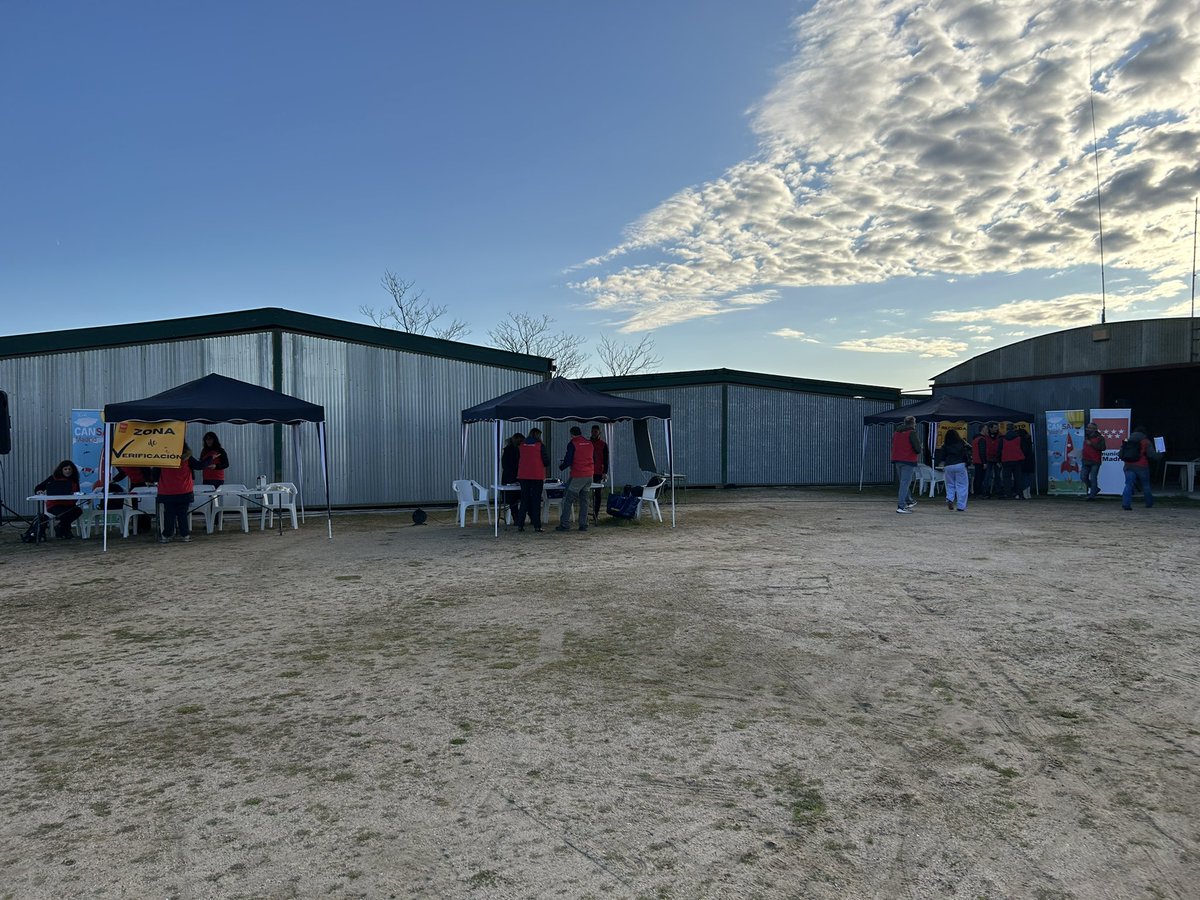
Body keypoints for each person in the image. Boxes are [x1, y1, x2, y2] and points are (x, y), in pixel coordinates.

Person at [156, 443, 210, 543]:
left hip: (167, 491)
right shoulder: (187, 457)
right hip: (184, 490)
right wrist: (210, 458)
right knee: (182, 514)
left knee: (169, 514)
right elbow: (200, 466)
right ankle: (185, 535)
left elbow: (155, 475)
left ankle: (166, 535)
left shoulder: (162, 457)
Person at [26, 460, 83, 541]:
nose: (68, 471)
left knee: (78, 511)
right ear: (61, 470)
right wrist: (39, 491)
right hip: (55, 505)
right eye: (65, 469)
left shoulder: (74, 480)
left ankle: (61, 527)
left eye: (69, 469)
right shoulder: (53, 478)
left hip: (69, 504)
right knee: (65, 513)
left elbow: (77, 492)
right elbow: (39, 487)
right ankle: (65, 530)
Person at [556, 426, 595, 532]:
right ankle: (583, 524)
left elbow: (568, 460)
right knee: (584, 500)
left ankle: (564, 524)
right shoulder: (589, 443)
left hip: (578, 474)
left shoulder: (573, 443)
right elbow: (593, 457)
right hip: (589, 475)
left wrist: (561, 466)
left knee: (568, 499)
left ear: (572, 434)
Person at [515, 428, 550, 533]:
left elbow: (518, 459)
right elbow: (546, 461)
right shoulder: (540, 446)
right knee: (536, 501)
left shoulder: (521, 445)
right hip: (537, 475)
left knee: (524, 500)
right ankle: (537, 526)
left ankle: (520, 524)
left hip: (523, 476)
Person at [1121, 425, 1159, 510]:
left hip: (1128, 466)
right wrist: (1160, 454)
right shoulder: (1146, 441)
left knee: (1128, 484)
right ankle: (1149, 503)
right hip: (1142, 466)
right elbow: (1152, 455)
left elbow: (1120, 454)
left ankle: (1126, 504)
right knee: (1146, 485)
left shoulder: (1127, 440)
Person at [891, 415, 921, 514]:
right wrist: (920, 448)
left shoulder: (896, 432)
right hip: (908, 460)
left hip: (897, 459)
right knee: (905, 483)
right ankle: (901, 506)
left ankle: (909, 501)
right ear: (912, 423)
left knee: (903, 482)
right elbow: (917, 448)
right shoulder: (912, 432)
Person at [940, 429, 971, 511]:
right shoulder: (961, 443)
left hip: (948, 465)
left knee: (950, 484)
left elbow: (942, 457)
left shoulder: (945, 445)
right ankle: (961, 506)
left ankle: (950, 498)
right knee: (962, 485)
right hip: (960, 464)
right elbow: (969, 449)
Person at [500, 432, 524, 524]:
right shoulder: (509, 450)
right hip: (511, 478)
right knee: (514, 499)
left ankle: (517, 518)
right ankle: (517, 518)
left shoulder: (508, 450)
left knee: (514, 500)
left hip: (512, 478)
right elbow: (506, 465)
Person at [999, 424, 1026, 499]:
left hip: (1006, 460)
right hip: (1017, 460)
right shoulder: (1019, 438)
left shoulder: (1002, 439)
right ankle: (1020, 494)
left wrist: (999, 460)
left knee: (1007, 478)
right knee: (1018, 478)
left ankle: (1008, 494)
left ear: (1006, 429)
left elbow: (999, 450)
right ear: (1014, 429)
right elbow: (1024, 449)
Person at [589, 424, 609, 524]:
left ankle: (596, 513)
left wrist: (605, 472)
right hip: (588, 471)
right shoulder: (588, 443)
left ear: (599, 433)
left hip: (598, 471)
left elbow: (606, 459)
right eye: (593, 432)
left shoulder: (603, 444)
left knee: (598, 493)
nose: (594, 433)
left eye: (596, 432)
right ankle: (587, 511)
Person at [1081, 422, 1105, 500]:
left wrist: (1091, 444)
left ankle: (1092, 495)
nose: (1088, 429)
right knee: (1083, 477)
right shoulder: (1086, 437)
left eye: (1090, 428)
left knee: (1093, 478)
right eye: (1087, 427)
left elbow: (1103, 448)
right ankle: (1095, 489)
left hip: (1095, 461)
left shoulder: (1100, 438)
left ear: (1095, 429)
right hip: (1085, 460)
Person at [971, 428, 990, 498]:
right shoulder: (982, 439)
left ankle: (976, 492)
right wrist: (984, 462)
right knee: (980, 477)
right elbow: (982, 451)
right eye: (986, 429)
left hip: (976, 460)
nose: (988, 431)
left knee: (977, 477)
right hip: (980, 461)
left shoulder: (975, 439)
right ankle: (979, 492)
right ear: (983, 430)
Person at [1017, 425, 1036, 499]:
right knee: (1028, 477)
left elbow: (1023, 451)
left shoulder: (1022, 441)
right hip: (1030, 461)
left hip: (1024, 462)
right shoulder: (1029, 440)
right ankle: (1028, 493)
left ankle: (1024, 493)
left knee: (1023, 477)